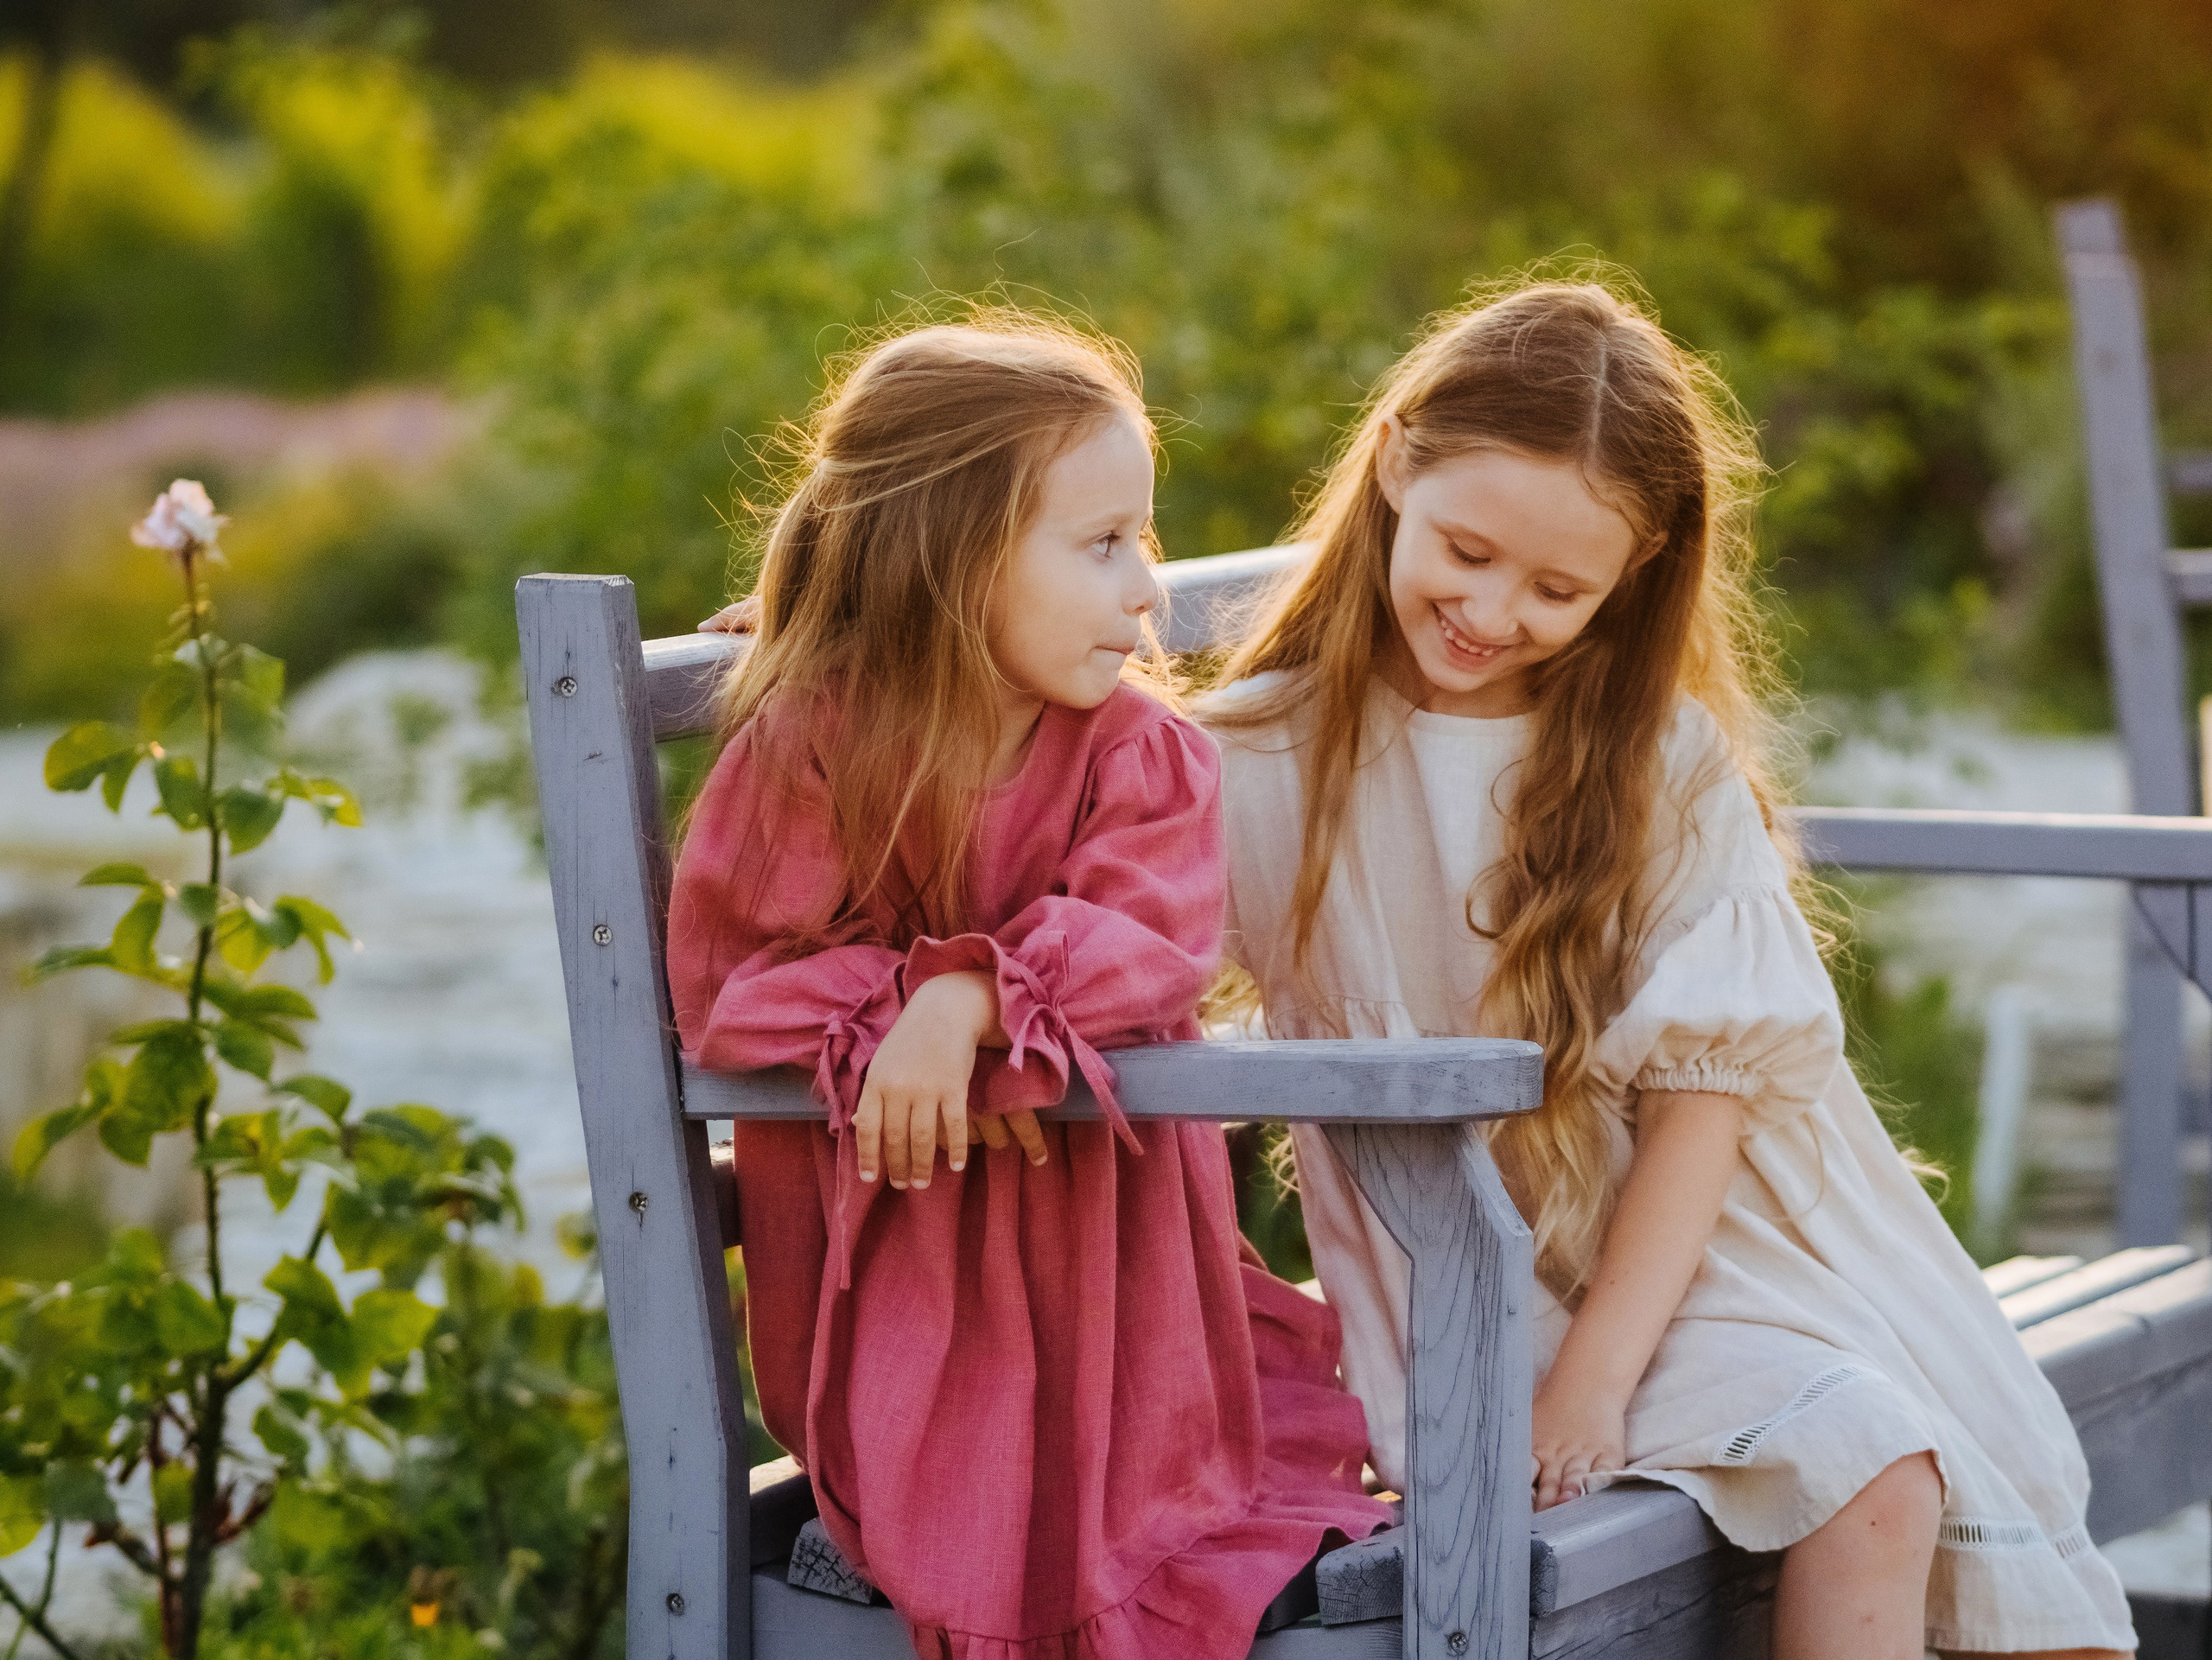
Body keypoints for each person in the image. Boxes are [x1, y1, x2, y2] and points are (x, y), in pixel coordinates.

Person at [1202, 280, 2135, 1659]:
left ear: (1628, 580)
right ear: (1394, 457)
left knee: (1883, 1464)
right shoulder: (1254, 758)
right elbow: (1073, 915)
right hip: (1465, 1282)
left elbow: (1706, 1102)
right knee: (1868, 1458)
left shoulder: (1653, 760)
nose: (1490, 608)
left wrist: (1595, 1378)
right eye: (1466, 548)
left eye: (1555, 589)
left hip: (1694, 1255)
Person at [668, 313, 1388, 1660]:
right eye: (1104, 542)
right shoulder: (817, 740)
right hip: (901, 1271)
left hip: (1118, 1294)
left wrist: (979, 1005)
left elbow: (1154, 936)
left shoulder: (1144, 755)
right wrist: (903, 1024)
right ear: (948, 560)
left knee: (1144, 1537)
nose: (1149, 589)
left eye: (1147, 538)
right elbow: (732, 982)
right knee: (970, 1523)